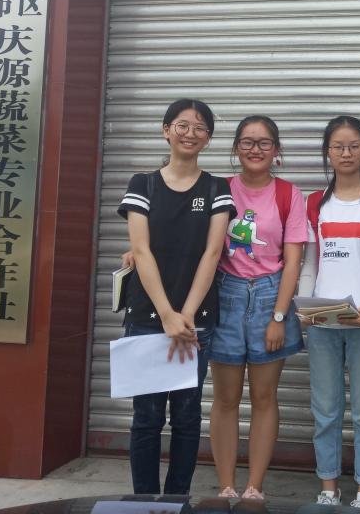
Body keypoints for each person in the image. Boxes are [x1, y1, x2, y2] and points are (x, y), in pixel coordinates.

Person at [117, 98, 236, 495]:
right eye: (182, 125)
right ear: (166, 130)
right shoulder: (143, 184)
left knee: (186, 417)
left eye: (200, 127)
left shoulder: (216, 188)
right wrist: (167, 314)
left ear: (208, 138)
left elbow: (212, 253)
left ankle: (177, 498)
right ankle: (144, 500)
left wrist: (185, 314)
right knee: (146, 417)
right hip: (146, 317)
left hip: (195, 321)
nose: (190, 133)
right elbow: (141, 250)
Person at [299, 116, 360, 510]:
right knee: (325, 409)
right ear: (328, 152)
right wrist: (303, 306)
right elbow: (310, 262)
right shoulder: (313, 203)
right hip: (323, 320)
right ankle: (329, 487)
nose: (346, 153)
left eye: (354, 146)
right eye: (338, 146)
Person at [209, 115, 308, 500]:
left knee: (265, 398)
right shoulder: (219, 189)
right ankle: (226, 486)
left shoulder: (289, 194)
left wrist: (279, 317)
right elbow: (193, 241)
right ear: (236, 148)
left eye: (264, 143)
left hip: (270, 297)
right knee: (225, 398)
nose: (256, 149)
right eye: (247, 142)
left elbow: (293, 261)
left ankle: (254, 486)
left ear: (276, 150)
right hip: (226, 296)